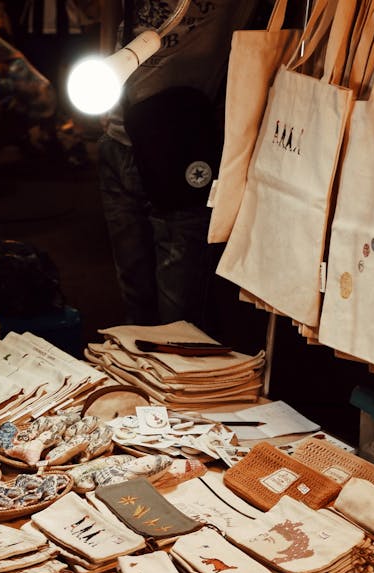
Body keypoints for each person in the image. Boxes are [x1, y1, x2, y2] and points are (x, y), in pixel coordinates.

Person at [94, 0, 258, 329]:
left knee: (178, 313)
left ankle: (181, 375)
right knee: (136, 301)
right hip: (119, 137)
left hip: (183, 144)